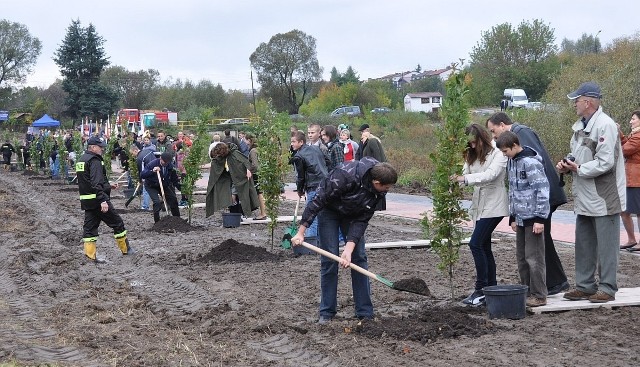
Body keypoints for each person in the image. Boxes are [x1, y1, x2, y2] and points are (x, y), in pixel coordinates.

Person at [290, 157, 398, 324]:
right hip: (329, 211)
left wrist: (348, 250)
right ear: (376, 182)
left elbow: (362, 220)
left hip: (353, 215)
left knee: (359, 257)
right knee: (329, 259)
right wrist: (301, 232)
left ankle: (364, 312)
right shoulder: (344, 176)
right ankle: (327, 312)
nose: (387, 190)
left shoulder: (378, 192)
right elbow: (317, 200)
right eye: (386, 187)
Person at [486, 112, 570, 295]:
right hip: (529, 205)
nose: (493, 136)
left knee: (538, 245)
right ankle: (549, 283)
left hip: (540, 201)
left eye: (493, 131)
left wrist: (540, 211)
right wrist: (513, 215)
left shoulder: (522, 135)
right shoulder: (514, 152)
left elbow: (536, 169)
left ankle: (551, 284)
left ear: (502, 125)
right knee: (537, 245)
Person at [558, 81, 626, 303]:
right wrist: (567, 164)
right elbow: (578, 153)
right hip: (584, 195)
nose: (574, 104)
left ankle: (607, 287)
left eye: (576, 101)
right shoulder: (579, 126)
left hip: (604, 197)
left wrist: (578, 169)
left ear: (587, 102)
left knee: (607, 246)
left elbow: (606, 162)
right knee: (584, 243)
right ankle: (585, 285)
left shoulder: (605, 125)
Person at [451, 124, 509, 306]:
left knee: (475, 243)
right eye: (469, 144)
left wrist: (465, 180)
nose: (473, 147)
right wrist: (452, 184)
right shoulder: (471, 155)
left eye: (475, 143)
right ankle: (491, 288)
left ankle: (481, 288)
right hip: (479, 206)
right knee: (484, 246)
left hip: (495, 205)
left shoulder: (498, 154)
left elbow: (490, 175)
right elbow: (465, 174)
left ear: (482, 140)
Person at [496, 131, 550, 307]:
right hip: (519, 217)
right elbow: (513, 190)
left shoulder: (530, 163)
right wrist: (512, 216)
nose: (504, 155)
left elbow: (542, 190)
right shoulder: (513, 161)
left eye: (505, 151)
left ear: (514, 146)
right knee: (522, 257)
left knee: (534, 258)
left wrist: (540, 218)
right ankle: (526, 290)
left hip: (533, 218)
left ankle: (539, 294)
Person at [76, 136, 133, 263]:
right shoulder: (95, 160)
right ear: (92, 147)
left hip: (87, 201)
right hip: (98, 200)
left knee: (89, 229)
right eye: (100, 147)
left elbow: (87, 181)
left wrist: (108, 185)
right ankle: (126, 251)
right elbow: (96, 183)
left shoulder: (82, 160)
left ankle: (90, 256)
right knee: (117, 223)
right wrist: (103, 200)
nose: (102, 149)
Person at [205, 142, 260, 219]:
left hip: (239, 179)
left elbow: (245, 163)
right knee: (232, 197)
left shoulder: (235, 154)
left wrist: (248, 169)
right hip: (230, 179)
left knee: (238, 197)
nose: (218, 157)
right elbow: (218, 164)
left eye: (219, 155)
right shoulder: (224, 157)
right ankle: (235, 215)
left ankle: (237, 215)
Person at [290, 131, 328, 238]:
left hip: (314, 187)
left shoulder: (298, 156)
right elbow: (328, 162)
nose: (292, 144)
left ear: (301, 142)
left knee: (311, 216)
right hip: (326, 184)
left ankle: (311, 240)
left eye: (294, 142)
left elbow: (301, 177)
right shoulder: (316, 149)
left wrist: (299, 190)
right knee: (326, 214)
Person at [618, 110, 640, 251]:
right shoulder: (635, 135)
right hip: (629, 178)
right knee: (624, 211)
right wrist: (619, 132)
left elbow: (624, 150)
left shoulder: (639, 136)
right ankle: (631, 239)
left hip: (636, 178)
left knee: (639, 212)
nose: (630, 121)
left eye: (633, 119)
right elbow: (627, 144)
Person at [140, 151, 182, 223]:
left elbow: (174, 179)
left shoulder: (170, 166)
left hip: (163, 185)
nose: (165, 163)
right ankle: (157, 222)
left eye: (167, 162)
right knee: (157, 203)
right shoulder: (153, 164)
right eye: (164, 162)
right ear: (160, 158)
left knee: (173, 199)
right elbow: (142, 174)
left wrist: (182, 189)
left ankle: (177, 220)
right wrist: (152, 171)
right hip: (151, 186)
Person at [244, 133, 267, 220]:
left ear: (249, 140)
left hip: (256, 174)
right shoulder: (258, 149)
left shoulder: (253, 151)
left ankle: (263, 213)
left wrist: (249, 170)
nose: (244, 142)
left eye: (245, 140)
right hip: (260, 173)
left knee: (259, 193)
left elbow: (255, 165)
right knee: (260, 193)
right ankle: (263, 212)